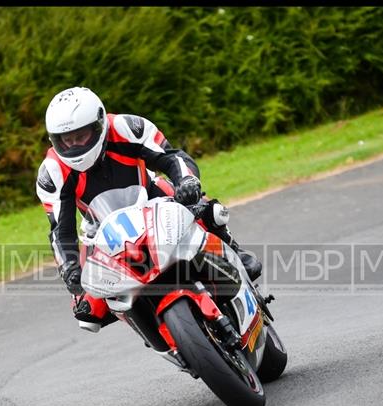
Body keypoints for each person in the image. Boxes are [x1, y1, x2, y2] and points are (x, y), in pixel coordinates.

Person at [35, 86, 262, 332]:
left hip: (152, 197)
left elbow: (172, 157)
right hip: (100, 230)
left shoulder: (127, 128)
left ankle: (235, 253)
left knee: (209, 212)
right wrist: (68, 267)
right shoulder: (52, 172)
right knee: (87, 311)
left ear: (99, 124)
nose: (74, 146)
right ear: (54, 139)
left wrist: (186, 181)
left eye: (81, 136)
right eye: (65, 140)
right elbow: (60, 229)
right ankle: (153, 327)